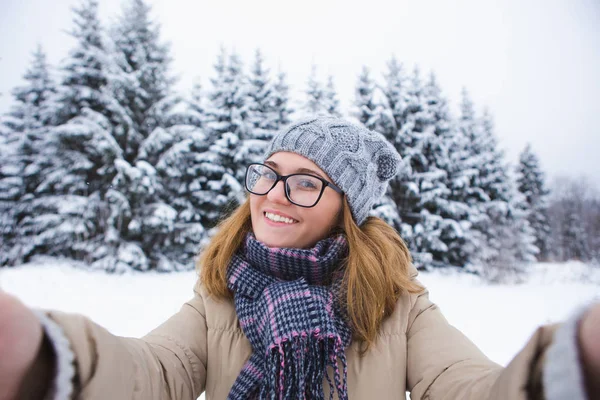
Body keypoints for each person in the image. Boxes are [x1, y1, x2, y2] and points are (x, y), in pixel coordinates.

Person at [1, 116, 599, 400]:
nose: (274, 197)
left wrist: (569, 370)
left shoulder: (400, 309)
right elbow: (153, 372)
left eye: (307, 183)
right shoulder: (218, 299)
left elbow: (466, 386)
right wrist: (49, 355)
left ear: (347, 208)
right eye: (269, 175)